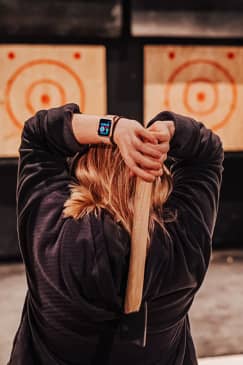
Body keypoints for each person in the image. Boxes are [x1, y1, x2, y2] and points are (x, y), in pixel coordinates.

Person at [8, 103, 224, 365]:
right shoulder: (183, 243)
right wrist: (166, 132)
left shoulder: (54, 239)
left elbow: (39, 133)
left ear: (85, 174)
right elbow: (207, 152)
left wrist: (111, 129)